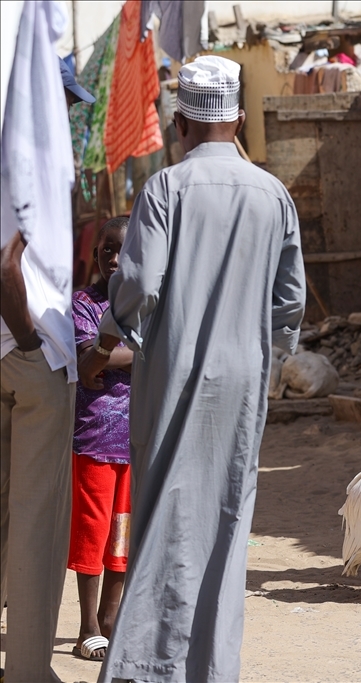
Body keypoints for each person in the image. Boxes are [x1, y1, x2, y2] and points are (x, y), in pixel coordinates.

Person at [79, 55, 306, 683]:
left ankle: (144, 668)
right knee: (226, 519)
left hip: (173, 376)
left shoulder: (164, 190)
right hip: (244, 381)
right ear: (237, 119)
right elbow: (289, 304)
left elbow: (137, 287)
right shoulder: (273, 194)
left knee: (164, 514)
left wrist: (104, 344)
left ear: (180, 123)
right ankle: (210, 667)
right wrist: (268, 352)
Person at [0, 8, 93, 676]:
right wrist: (30, 343)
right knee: (35, 524)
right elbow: (6, 263)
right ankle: (29, 666)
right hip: (26, 353)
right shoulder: (24, 155)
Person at [68, 217, 132, 662]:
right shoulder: (83, 305)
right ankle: (87, 625)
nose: (113, 258)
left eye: (123, 250)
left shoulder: (147, 305)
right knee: (92, 531)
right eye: (106, 250)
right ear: (96, 256)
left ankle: (112, 621)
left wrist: (111, 356)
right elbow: (87, 363)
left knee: (121, 533)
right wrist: (140, 353)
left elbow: (103, 359)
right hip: (94, 438)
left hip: (138, 439)